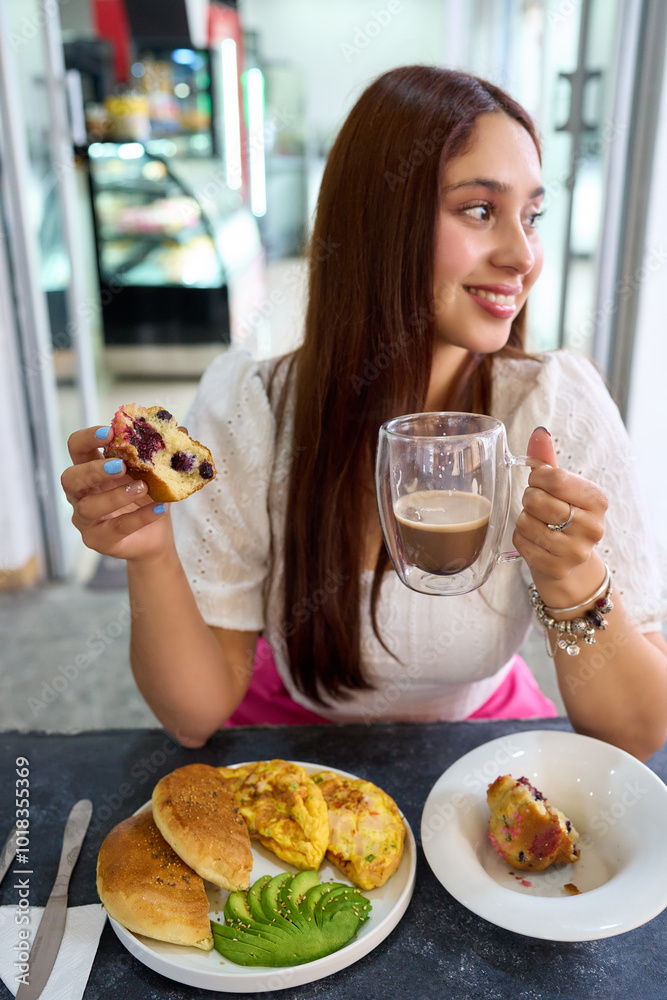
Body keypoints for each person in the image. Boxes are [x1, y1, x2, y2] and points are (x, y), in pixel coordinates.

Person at [61, 66, 667, 760]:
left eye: (531, 215)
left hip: (477, 744)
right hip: (290, 742)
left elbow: (635, 733)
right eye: (479, 210)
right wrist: (150, 552)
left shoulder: (552, 409)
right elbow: (193, 716)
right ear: (377, 220)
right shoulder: (252, 410)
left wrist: (571, 580)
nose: (521, 255)